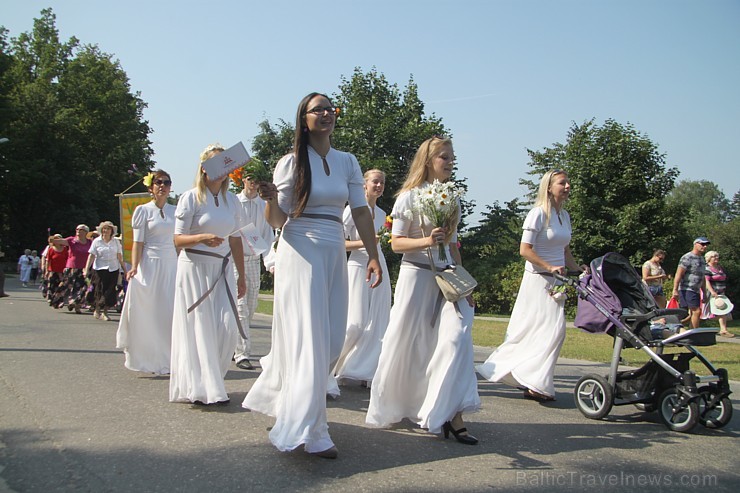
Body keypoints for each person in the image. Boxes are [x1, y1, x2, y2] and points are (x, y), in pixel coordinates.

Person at [242, 92, 382, 459]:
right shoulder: (290, 163)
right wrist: (271, 199)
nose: (325, 114)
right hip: (299, 248)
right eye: (316, 109)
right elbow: (277, 221)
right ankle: (312, 430)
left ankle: (289, 402)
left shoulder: (348, 161)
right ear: (303, 119)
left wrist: (373, 255)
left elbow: (362, 212)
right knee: (310, 339)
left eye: (329, 108)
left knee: (333, 338)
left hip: (335, 245)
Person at [366, 136, 480, 445]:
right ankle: (405, 404)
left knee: (456, 339)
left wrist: (464, 280)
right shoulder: (408, 197)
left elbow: (454, 245)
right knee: (409, 344)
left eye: (452, 156)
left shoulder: (453, 198)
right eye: (444, 156)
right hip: (415, 277)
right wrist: (428, 241)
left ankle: (452, 414)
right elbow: (396, 243)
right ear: (428, 161)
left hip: (446, 280)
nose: (450, 161)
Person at [477, 169, 586, 402]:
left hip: (558, 282)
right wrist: (549, 267)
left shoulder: (564, 216)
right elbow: (525, 250)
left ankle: (533, 380)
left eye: (568, 182)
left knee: (550, 333)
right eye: (562, 183)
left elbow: (565, 250)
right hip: (538, 280)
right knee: (547, 331)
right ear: (549, 187)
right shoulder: (537, 214)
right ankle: (532, 380)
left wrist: (578, 268)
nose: (567, 186)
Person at [169, 144, 246, 405]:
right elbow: (178, 240)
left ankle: (213, 380)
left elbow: (236, 239)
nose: (222, 168)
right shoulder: (190, 198)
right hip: (195, 268)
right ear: (204, 168)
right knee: (200, 329)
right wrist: (202, 237)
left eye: (226, 162)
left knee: (227, 329)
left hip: (222, 269)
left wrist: (242, 276)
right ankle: (205, 389)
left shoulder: (232, 200)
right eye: (216, 163)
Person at [116, 169, 178, 374]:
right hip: (150, 265)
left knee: (170, 312)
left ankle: (171, 358)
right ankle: (150, 357)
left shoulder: (175, 211)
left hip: (171, 265)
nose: (162, 186)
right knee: (150, 311)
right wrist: (134, 267)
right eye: (158, 182)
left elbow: (179, 242)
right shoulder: (142, 211)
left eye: (166, 183)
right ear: (151, 187)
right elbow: (138, 242)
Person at [333, 169, 391, 387]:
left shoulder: (384, 214)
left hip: (379, 265)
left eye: (382, 183)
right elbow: (340, 243)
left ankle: (365, 369)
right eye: (375, 182)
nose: (379, 186)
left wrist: (376, 245)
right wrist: (366, 242)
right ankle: (332, 366)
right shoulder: (351, 211)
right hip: (357, 266)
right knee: (355, 322)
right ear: (364, 185)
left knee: (377, 322)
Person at [231, 170, 275, 371]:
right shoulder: (233, 202)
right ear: (242, 180)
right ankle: (242, 354)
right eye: (249, 179)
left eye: (256, 180)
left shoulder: (262, 205)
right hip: (234, 260)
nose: (252, 183)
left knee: (250, 306)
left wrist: (271, 262)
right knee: (240, 308)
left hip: (254, 259)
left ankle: (235, 344)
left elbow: (267, 237)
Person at [84, 221, 126, 321]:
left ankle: (105, 312)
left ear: (112, 231)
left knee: (110, 290)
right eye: (104, 229)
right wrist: (86, 269)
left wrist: (125, 270)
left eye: (108, 229)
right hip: (99, 269)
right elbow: (91, 256)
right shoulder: (97, 241)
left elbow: (120, 257)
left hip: (113, 269)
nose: (106, 231)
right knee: (99, 289)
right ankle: (98, 309)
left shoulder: (116, 242)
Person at [672, 237, 711, 329]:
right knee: (696, 311)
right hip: (686, 288)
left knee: (690, 313)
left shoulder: (701, 259)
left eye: (706, 245)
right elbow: (679, 274)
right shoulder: (687, 257)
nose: (705, 246)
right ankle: (693, 333)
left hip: (696, 290)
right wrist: (675, 289)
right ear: (695, 244)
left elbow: (702, 277)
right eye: (702, 244)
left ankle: (678, 328)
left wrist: (704, 293)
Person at [53, 224, 92, 313]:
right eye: (77, 229)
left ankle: (76, 305)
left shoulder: (90, 242)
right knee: (67, 286)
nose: (78, 231)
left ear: (86, 232)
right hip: (72, 267)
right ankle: (59, 302)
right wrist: (53, 239)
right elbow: (59, 242)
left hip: (85, 268)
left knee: (83, 287)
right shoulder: (71, 240)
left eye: (81, 230)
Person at [703, 250, 734, 338]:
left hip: (721, 293)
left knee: (722, 310)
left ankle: (723, 330)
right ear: (709, 258)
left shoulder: (719, 268)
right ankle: (689, 325)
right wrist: (712, 292)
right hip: (712, 293)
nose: (716, 258)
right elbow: (706, 281)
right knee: (702, 312)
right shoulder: (707, 269)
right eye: (714, 256)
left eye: (717, 256)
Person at [44, 234, 69, 308]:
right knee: (52, 285)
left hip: (62, 271)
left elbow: (67, 259)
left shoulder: (64, 249)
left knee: (61, 286)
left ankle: (60, 301)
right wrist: (47, 271)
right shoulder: (51, 249)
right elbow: (48, 260)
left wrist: (67, 268)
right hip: (53, 270)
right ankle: (53, 300)